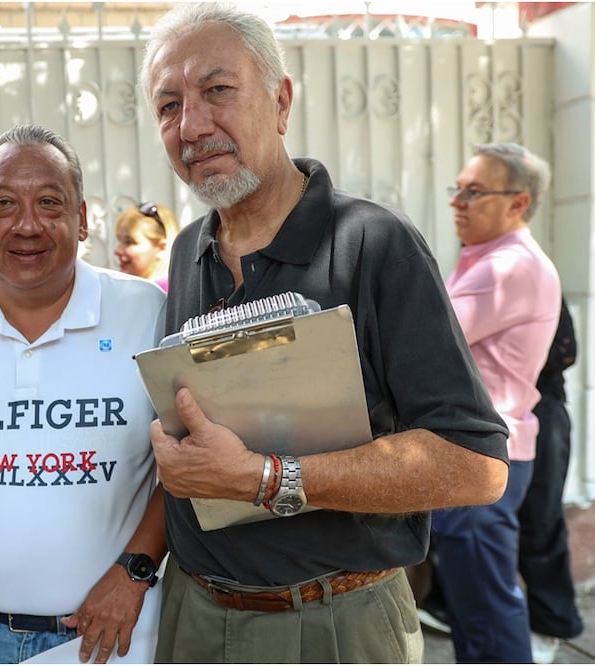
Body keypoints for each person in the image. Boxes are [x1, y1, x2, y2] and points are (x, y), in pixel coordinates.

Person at [139, 4, 510, 662]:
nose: (191, 125)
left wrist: (265, 477)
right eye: (168, 105)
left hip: (331, 624)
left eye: (217, 90)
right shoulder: (188, 248)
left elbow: (475, 468)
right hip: (193, 617)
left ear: (280, 101)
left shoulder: (372, 243)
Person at [0, 124, 167, 664]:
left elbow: (194, 468)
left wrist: (135, 572)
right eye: (4, 203)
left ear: (82, 220)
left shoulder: (147, 315)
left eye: (49, 202)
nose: (27, 224)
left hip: (121, 632)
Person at [433, 142, 562, 663]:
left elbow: (426, 342)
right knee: (474, 607)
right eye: (458, 188)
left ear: (518, 203)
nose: (458, 201)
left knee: (486, 610)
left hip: (484, 456)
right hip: (482, 452)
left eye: (475, 191)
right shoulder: (488, 260)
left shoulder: (506, 268)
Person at [520, 298, 583, 663]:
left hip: (542, 413)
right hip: (492, 417)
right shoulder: (471, 278)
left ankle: (550, 626)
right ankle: (447, 604)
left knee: (541, 523)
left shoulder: (540, 282)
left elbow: (566, 353)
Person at [112, 201, 178, 290]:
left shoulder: (161, 293)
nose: (117, 251)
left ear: (162, 248)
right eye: (120, 241)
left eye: (129, 242)